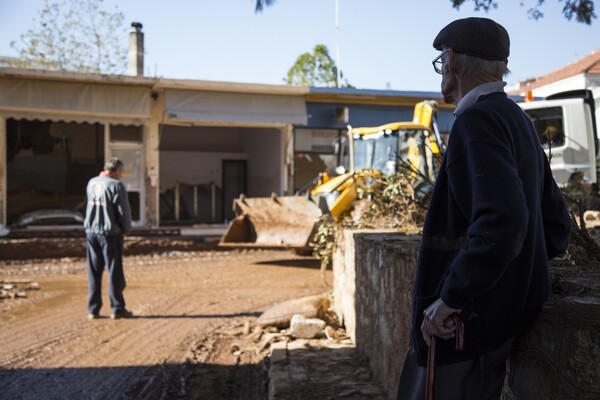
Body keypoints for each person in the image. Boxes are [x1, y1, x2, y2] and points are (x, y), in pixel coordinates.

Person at [396, 17, 572, 400]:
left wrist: (451, 298)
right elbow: (556, 228)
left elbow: (504, 222)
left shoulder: (477, 121)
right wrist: (520, 276)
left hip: (462, 329)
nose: (442, 69)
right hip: (496, 325)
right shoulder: (517, 120)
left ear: (454, 60)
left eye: (442, 59)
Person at [84, 158, 133, 320]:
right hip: (110, 234)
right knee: (114, 272)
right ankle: (117, 308)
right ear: (116, 170)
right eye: (121, 172)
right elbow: (123, 212)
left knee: (94, 271)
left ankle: (93, 309)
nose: (121, 175)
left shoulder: (92, 182)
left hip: (91, 232)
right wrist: (125, 229)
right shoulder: (116, 186)